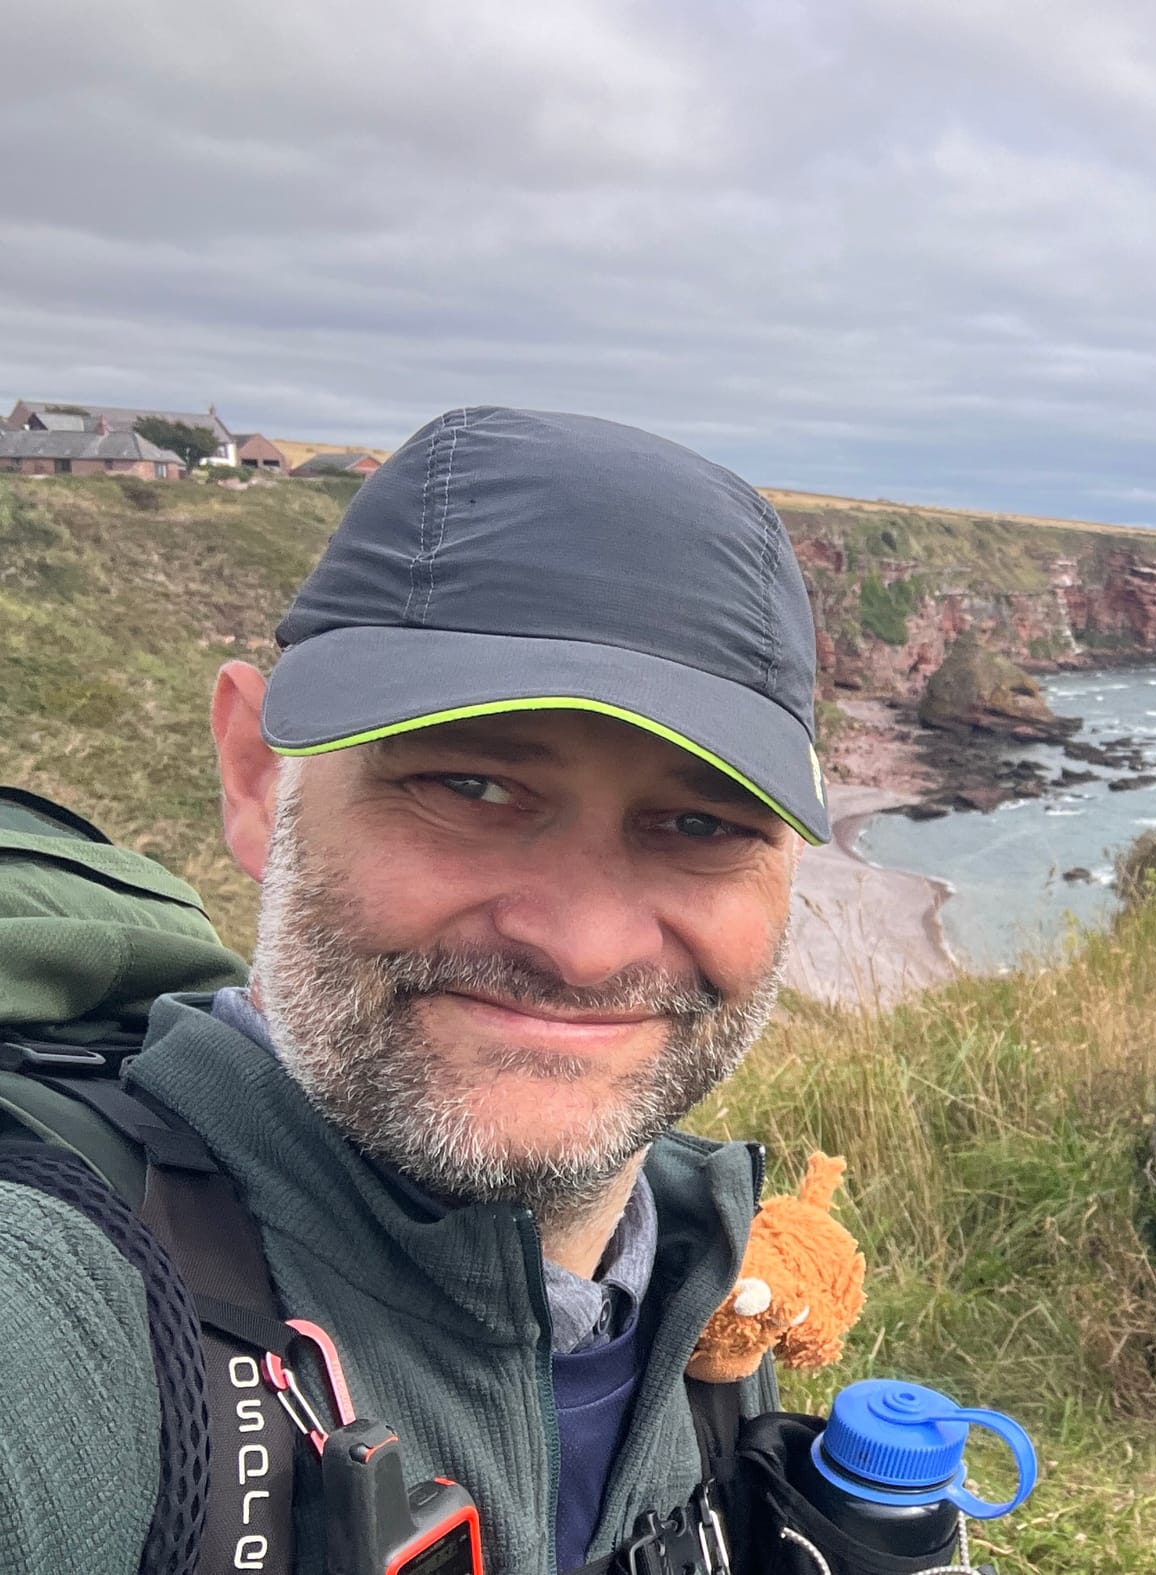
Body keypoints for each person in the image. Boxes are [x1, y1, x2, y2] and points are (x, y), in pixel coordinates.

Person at [0, 407, 834, 1574]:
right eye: (472, 787)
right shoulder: (68, 1312)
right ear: (255, 779)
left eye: (698, 824)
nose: (584, 949)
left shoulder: (708, 1293)